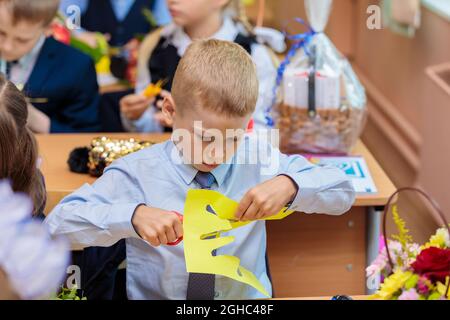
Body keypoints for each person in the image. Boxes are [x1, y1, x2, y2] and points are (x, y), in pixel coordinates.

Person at [45, 39, 355, 299]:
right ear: (169, 112)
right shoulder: (137, 172)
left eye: (233, 138)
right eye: (204, 138)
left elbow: (342, 191)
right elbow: (56, 227)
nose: (217, 153)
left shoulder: (258, 159)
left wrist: (290, 185)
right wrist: (132, 216)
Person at [120, 0, 284, 133]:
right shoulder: (155, 47)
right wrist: (136, 117)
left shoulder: (255, 54)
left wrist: (194, 126)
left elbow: (263, 131)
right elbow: (152, 130)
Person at [0, 0, 101, 133]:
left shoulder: (77, 66)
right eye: (1, 33)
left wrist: (32, 117)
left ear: (49, 28)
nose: (6, 47)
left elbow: (85, 135)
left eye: (22, 40)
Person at [60, 0, 172, 47]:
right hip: (92, 70)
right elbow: (63, 17)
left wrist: (146, 45)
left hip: (137, 77)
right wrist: (79, 34)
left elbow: (165, 28)